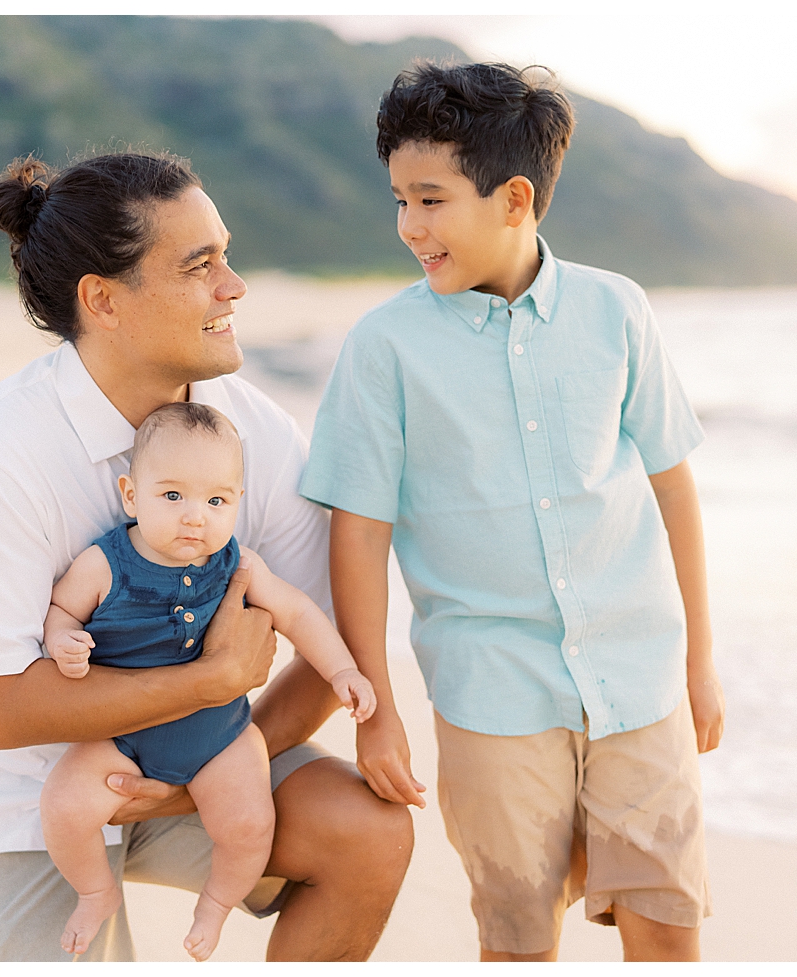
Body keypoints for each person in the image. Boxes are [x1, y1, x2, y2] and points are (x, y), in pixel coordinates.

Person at [0, 151, 412, 962]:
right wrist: (210, 681)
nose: (234, 286)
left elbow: (325, 625)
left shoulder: (249, 430)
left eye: (226, 257)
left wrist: (205, 766)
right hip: (15, 802)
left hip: (194, 761)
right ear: (102, 299)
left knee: (367, 832)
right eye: (201, 266)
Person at [299, 61, 726, 962]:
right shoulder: (385, 347)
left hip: (638, 677)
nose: (410, 227)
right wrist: (373, 707)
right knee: (517, 928)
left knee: (666, 919)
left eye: (431, 199)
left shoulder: (616, 310)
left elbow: (670, 483)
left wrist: (700, 662)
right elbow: (359, 532)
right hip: (490, 691)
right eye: (400, 201)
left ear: (514, 197)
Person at [40, 401, 375, 960]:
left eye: (216, 501)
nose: (195, 516)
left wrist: (341, 670)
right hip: (122, 736)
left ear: (236, 504)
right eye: (172, 496)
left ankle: (216, 905)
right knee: (65, 808)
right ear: (131, 495)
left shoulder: (237, 563)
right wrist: (62, 640)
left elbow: (297, 612)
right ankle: (95, 890)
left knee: (248, 826)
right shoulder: (105, 564)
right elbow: (60, 611)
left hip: (219, 735)